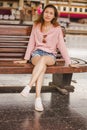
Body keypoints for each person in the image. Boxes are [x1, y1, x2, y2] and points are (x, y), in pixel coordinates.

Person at [14, 4, 78, 112]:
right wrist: (25, 59)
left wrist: (68, 61)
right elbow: (31, 43)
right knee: (41, 67)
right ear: (43, 13)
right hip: (36, 54)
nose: (48, 15)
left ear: (54, 16)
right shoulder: (36, 25)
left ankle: (29, 86)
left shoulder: (57, 29)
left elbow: (62, 46)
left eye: (51, 13)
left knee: (43, 60)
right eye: (46, 12)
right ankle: (38, 98)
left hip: (50, 56)